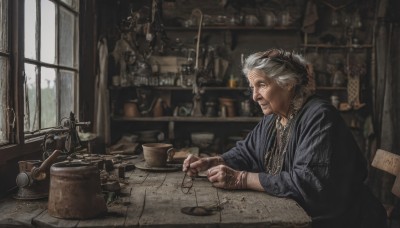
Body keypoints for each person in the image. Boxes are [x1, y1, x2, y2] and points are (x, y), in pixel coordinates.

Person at [183, 49, 387, 228]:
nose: (255, 96)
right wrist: (212, 161)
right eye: (252, 87)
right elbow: (246, 152)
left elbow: (307, 183)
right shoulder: (274, 118)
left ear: (288, 83)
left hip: (342, 220)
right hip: (297, 214)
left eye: (261, 85)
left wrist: (240, 178)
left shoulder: (319, 117)